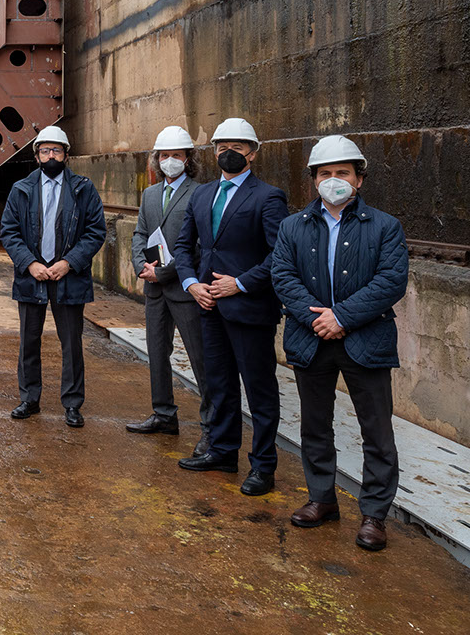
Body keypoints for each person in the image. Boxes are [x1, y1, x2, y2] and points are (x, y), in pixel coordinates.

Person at [272, 135, 408, 552]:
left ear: (359, 180)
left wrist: (343, 317)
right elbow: (282, 275)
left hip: (365, 340)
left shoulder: (385, 226)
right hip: (311, 338)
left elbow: (391, 280)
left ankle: (374, 515)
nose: (334, 180)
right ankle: (321, 499)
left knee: (376, 429)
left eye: (342, 173)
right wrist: (319, 318)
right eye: (326, 173)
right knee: (315, 425)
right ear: (314, 180)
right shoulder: (293, 226)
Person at [174, 117, 288, 496]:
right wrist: (191, 283)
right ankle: (222, 451)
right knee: (219, 385)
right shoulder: (202, 195)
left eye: (238, 147)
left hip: (250, 310)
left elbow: (279, 254)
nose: (229, 152)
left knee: (259, 390)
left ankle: (263, 466)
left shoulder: (268, 197)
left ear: (252, 153)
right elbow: (183, 246)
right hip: (209, 307)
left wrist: (240, 284)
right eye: (222, 145)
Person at [0, 126, 107, 427]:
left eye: (56, 151)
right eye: (45, 151)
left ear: (66, 155)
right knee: (29, 341)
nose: (51, 156)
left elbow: (96, 231)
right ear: (36, 156)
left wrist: (70, 263)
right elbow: (9, 231)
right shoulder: (21, 189)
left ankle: (72, 403)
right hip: (32, 276)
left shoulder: (83, 189)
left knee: (71, 343)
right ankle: (29, 399)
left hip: (68, 278)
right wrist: (29, 263)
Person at [127, 126, 215, 456]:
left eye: (176, 155)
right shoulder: (150, 195)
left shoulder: (200, 193)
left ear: (188, 159)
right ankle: (164, 414)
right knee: (157, 353)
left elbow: (197, 244)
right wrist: (142, 267)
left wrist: (163, 271)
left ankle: (210, 426)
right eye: (164, 156)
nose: (170, 161)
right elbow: (140, 234)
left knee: (199, 358)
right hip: (155, 291)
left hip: (183, 288)